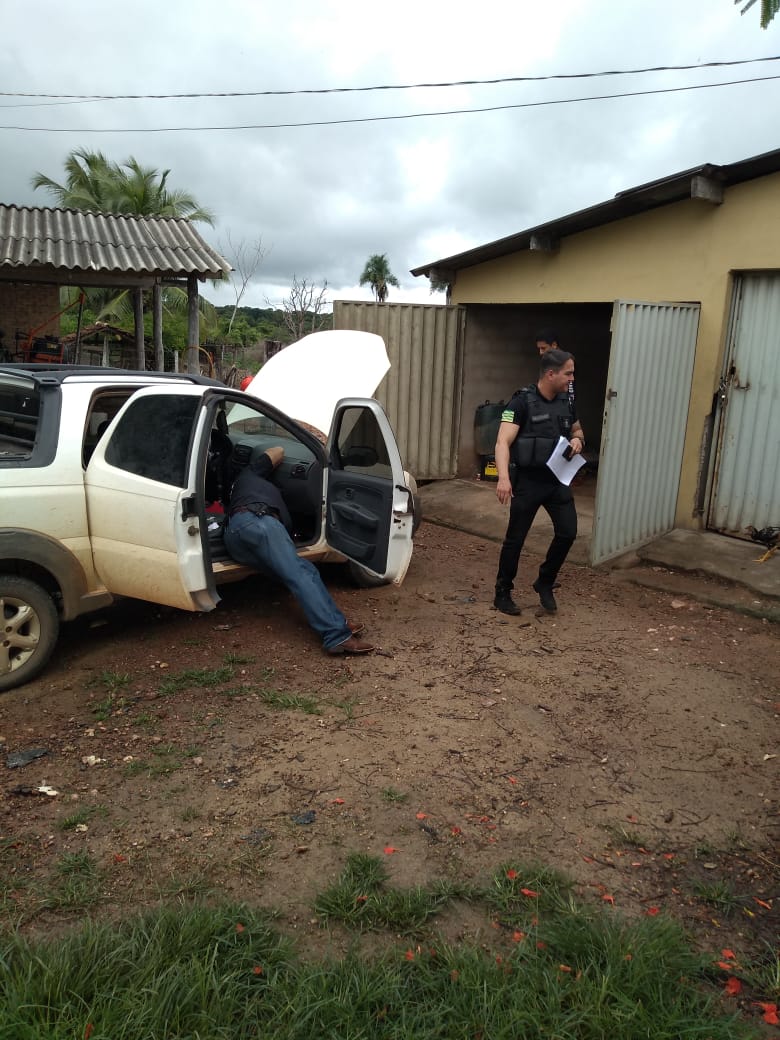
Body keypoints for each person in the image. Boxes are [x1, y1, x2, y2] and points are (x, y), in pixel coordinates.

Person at [223, 445, 375, 655]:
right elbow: (277, 450)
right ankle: (336, 636)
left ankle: (338, 622)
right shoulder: (250, 474)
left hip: (236, 535)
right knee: (299, 574)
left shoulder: (236, 491)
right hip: (258, 521)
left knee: (306, 570)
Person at [493, 349, 585, 616]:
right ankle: (502, 592)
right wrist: (503, 478)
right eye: (568, 373)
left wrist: (578, 439)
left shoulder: (567, 401)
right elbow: (502, 442)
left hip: (557, 480)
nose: (572, 378)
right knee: (515, 539)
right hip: (528, 482)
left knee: (568, 532)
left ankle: (545, 581)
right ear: (551, 374)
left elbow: (577, 429)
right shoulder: (521, 402)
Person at [535, 328, 575, 411]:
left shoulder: (567, 362)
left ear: (554, 345)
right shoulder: (523, 399)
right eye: (539, 348)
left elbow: (571, 391)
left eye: (543, 348)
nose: (540, 352)